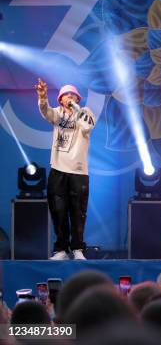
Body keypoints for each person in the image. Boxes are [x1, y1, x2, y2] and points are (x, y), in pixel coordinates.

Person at [36, 78, 96, 260]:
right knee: (58, 210)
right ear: (60, 99)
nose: (70, 97)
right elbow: (45, 111)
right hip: (58, 170)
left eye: (73, 95)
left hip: (78, 171)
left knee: (78, 211)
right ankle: (61, 249)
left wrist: (77, 109)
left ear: (78, 99)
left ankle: (77, 248)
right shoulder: (57, 114)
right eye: (66, 95)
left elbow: (87, 126)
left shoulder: (85, 112)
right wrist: (42, 96)